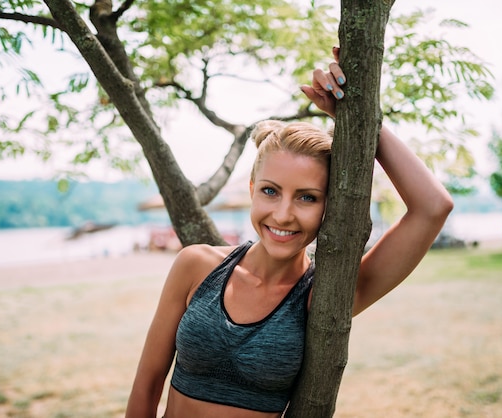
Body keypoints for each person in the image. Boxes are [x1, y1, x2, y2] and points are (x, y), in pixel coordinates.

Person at [125, 49, 454, 418]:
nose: (283, 215)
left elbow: (432, 208)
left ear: (329, 207)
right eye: (270, 191)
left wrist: (360, 117)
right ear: (252, 189)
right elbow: (148, 384)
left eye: (307, 198)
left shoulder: (324, 296)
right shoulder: (196, 265)